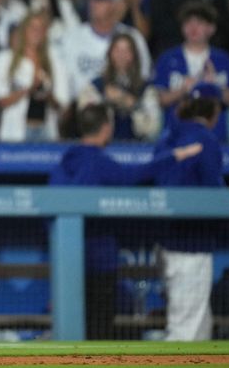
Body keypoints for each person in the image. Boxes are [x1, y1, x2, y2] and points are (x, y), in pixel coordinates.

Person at [48, 102, 202, 339]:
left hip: (66, 263)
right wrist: (173, 156)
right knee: (97, 333)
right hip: (99, 263)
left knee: (70, 333)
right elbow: (135, 174)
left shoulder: (63, 163)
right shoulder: (96, 161)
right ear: (106, 128)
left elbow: (49, 212)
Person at [153, 83, 226, 341]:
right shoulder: (206, 139)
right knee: (184, 333)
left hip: (165, 244)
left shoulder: (167, 138)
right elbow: (212, 192)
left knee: (200, 326)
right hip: (191, 246)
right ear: (213, 110)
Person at [152, 0, 229, 143]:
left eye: (199, 23)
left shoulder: (224, 59)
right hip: (176, 137)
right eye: (188, 23)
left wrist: (214, 87)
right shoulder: (168, 58)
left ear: (211, 28)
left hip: (215, 138)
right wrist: (183, 89)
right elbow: (159, 99)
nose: (193, 28)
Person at [0, 12, 71, 142]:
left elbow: (63, 107)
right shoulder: (4, 59)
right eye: (32, 28)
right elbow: (0, 101)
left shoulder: (55, 61)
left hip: (46, 131)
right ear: (24, 31)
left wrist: (48, 96)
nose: (36, 32)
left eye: (41, 28)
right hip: (15, 132)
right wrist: (29, 89)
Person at [78, 34, 161, 141]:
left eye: (126, 51)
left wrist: (134, 105)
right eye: (117, 50)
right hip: (103, 147)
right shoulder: (96, 86)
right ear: (110, 53)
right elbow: (86, 121)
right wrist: (104, 101)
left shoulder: (146, 89)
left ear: (133, 55)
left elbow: (153, 128)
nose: (121, 55)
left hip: (136, 149)